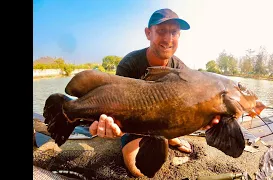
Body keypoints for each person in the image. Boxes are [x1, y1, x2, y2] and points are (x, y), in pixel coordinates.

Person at [89, 8, 220, 177]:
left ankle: (170, 137)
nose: (168, 39)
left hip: (166, 124)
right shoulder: (129, 64)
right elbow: (112, 102)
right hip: (136, 128)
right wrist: (108, 124)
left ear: (179, 36)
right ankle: (162, 139)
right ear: (148, 33)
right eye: (161, 31)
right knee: (138, 171)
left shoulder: (181, 69)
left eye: (174, 32)